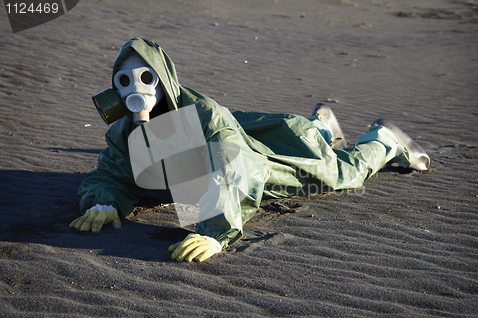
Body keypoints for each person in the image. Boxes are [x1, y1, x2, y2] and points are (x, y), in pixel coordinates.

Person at [70, 38, 430, 263]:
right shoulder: (125, 129)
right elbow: (112, 172)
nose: (137, 89)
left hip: (257, 165)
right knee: (306, 143)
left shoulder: (204, 115)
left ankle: (383, 141)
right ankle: (321, 128)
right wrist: (105, 200)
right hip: (235, 148)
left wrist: (216, 230)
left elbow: (234, 167)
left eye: (147, 77)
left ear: (165, 80)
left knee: (339, 175)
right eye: (125, 79)